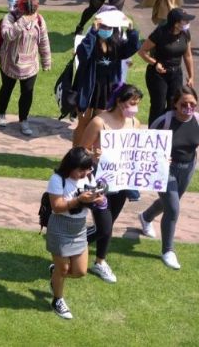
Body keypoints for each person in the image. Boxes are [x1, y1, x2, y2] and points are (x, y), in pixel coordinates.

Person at [75, 83, 143, 284]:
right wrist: (92, 154)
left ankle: (100, 261)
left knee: (109, 224)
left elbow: (138, 152)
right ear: (120, 102)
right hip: (99, 182)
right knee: (103, 227)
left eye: (137, 104)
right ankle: (70, 245)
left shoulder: (135, 124)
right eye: (131, 103)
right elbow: (80, 151)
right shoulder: (99, 122)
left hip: (121, 182)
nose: (134, 108)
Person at [141, 86, 199, 270]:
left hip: (188, 168)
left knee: (170, 202)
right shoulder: (163, 122)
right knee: (173, 208)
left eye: (192, 104)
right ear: (175, 104)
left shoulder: (197, 120)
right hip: (165, 170)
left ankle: (146, 216)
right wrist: (160, 158)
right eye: (184, 104)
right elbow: (145, 146)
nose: (188, 107)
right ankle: (168, 250)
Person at [47, 147, 102, 320]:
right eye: (81, 170)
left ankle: (55, 275)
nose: (85, 173)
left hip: (79, 228)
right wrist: (78, 200)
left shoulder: (89, 176)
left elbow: (93, 197)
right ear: (70, 166)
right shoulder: (57, 179)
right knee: (63, 269)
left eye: (88, 169)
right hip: (60, 227)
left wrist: (98, 199)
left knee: (80, 272)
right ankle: (57, 299)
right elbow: (56, 207)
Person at [71, 13, 140, 143]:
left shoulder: (117, 44)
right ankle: (76, 153)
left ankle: (92, 154)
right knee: (83, 123)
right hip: (88, 87)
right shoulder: (90, 41)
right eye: (103, 27)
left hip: (107, 88)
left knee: (100, 123)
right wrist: (92, 32)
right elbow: (83, 53)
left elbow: (134, 47)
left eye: (109, 28)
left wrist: (131, 30)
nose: (106, 30)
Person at [0, 0, 52, 136]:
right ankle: (1, 114)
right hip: (9, 62)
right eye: (29, 10)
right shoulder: (10, 17)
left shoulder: (39, 20)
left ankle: (23, 120)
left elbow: (44, 41)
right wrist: (22, 21)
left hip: (30, 64)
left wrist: (46, 61)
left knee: (27, 92)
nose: (32, 12)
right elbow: (8, 35)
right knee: (7, 89)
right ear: (20, 8)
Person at [138, 8, 195, 124]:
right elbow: (142, 51)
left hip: (176, 73)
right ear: (175, 22)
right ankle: (154, 133)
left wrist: (191, 76)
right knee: (158, 105)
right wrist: (155, 63)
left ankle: (170, 133)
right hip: (158, 74)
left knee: (174, 104)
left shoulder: (185, 33)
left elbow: (188, 56)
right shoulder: (160, 33)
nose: (188, 23)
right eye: (185, 21)